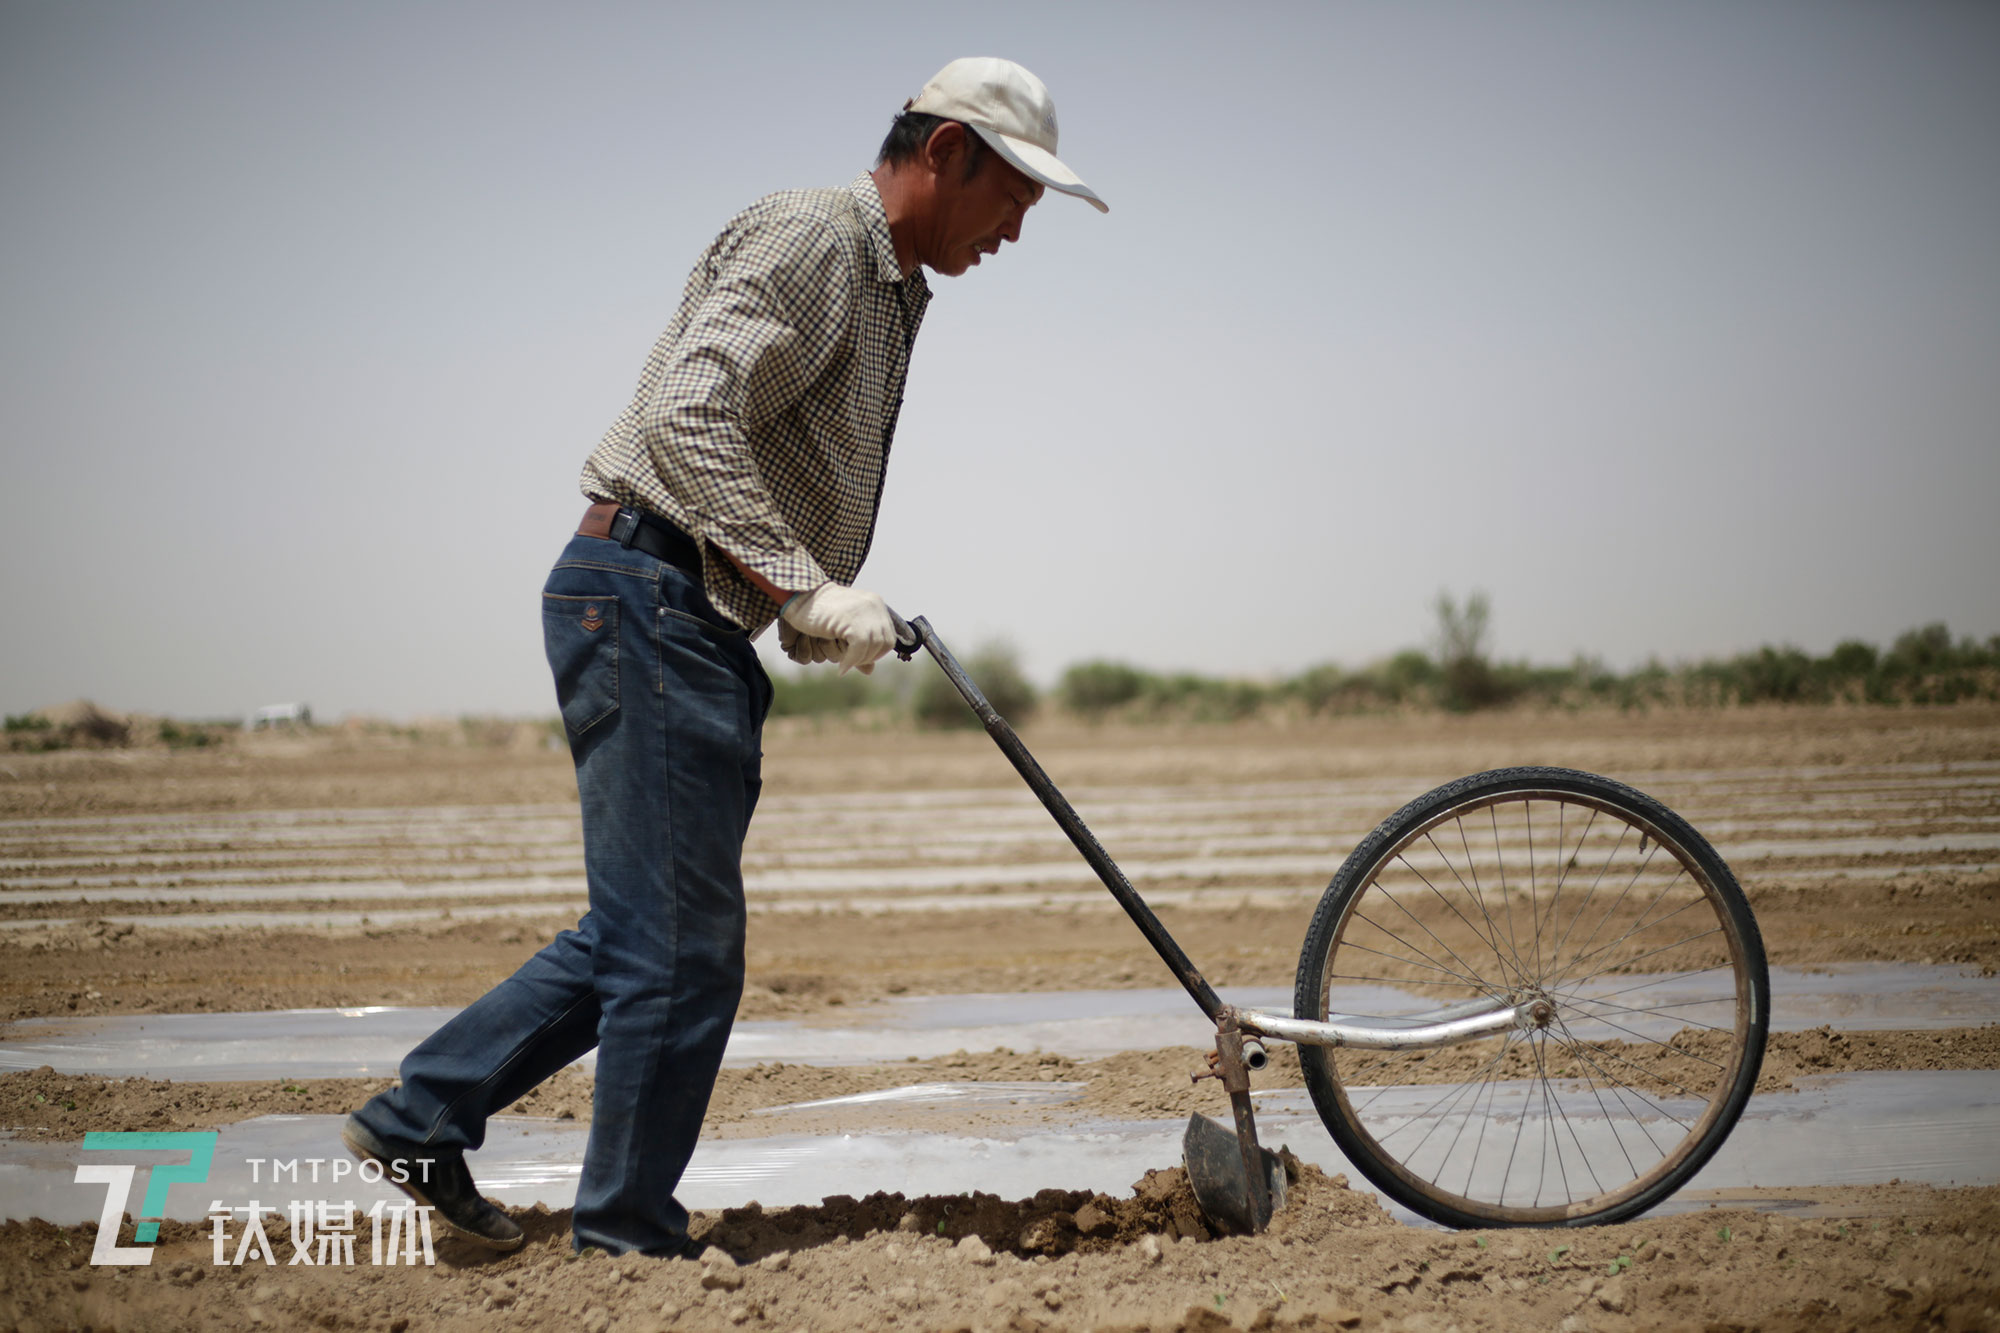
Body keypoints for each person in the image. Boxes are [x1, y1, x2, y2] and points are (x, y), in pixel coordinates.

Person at [342, 56, 1105, 1258]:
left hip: (672, 601)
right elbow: (684, 416)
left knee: (643, 931)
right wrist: (802, 583)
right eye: (1014, 197)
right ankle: (625, 1240)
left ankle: (422, 1113)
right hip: (645, 595)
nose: (1017, 231)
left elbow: (733, 446)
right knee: (681, 950)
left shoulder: (892, 286)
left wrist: (791, 601)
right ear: (948, 152)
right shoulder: (815, 238)